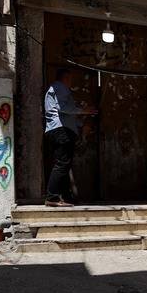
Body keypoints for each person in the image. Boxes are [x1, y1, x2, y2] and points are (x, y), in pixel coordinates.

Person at [43, 68, 95, 207]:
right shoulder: (60, 87)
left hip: (58, 129)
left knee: (64, 164)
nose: (71, 81)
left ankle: (65, 197)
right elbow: (63, 108)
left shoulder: (57, 90)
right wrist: (84, 110)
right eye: (70, 78)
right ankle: (52, 197)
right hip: (61, 130)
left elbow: (66, 115)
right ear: (65, 77)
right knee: (62, 163)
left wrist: (80, 123)